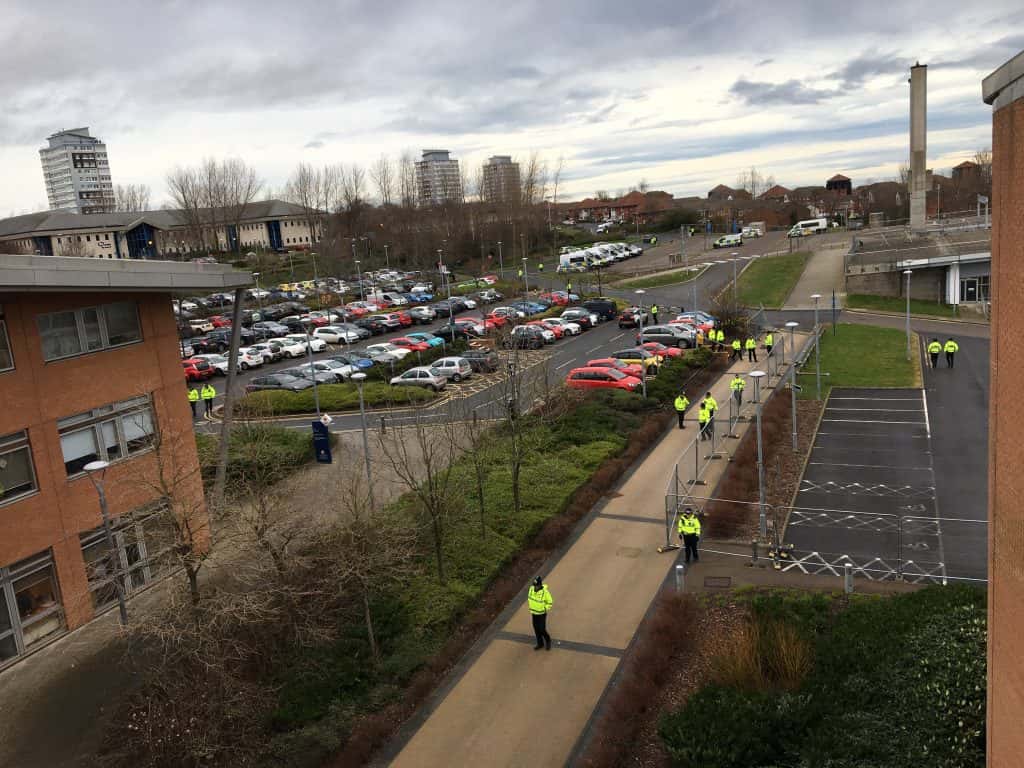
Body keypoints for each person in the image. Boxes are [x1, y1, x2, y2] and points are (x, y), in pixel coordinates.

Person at [528, 576, 553, 650]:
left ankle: (548, 640)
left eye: (536, 585)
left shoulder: (545, 592)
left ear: (540, 585)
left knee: (542, 629)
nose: (535, 587)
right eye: (534, 585)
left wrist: (544, 608)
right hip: (534, 613)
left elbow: (550, 602)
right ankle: (540, 643)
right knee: (536, 629)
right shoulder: (531, 589)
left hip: (541, 614)